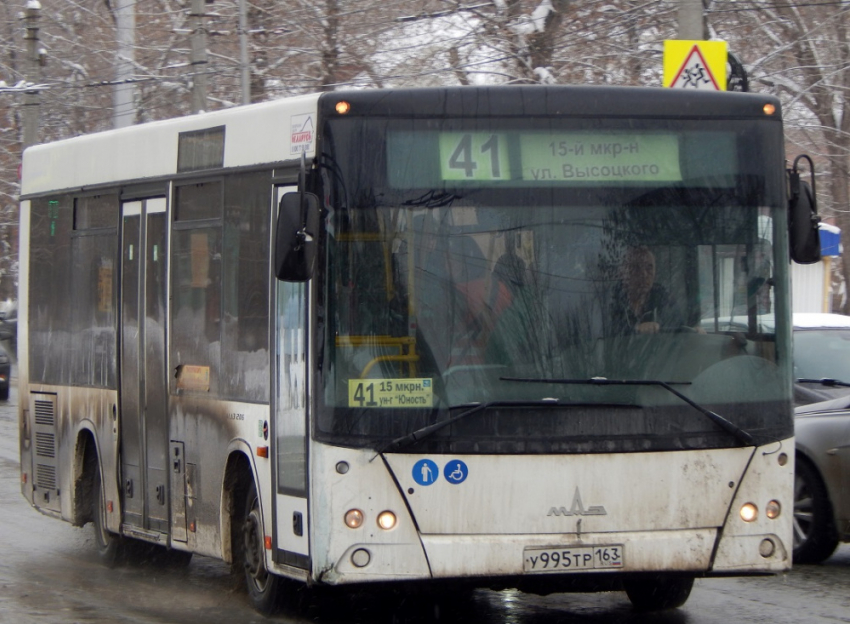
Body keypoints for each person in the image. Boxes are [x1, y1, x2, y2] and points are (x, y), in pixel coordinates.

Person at [610, 246, 683, 335]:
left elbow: (679, 330)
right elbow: (605, 333)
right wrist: (636, 330)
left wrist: (693, 332)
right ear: (626, 272)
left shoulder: (664, 299)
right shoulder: (612, 300)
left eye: (649, 268)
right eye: (637, 268)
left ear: (655, 271)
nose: (644, 274)